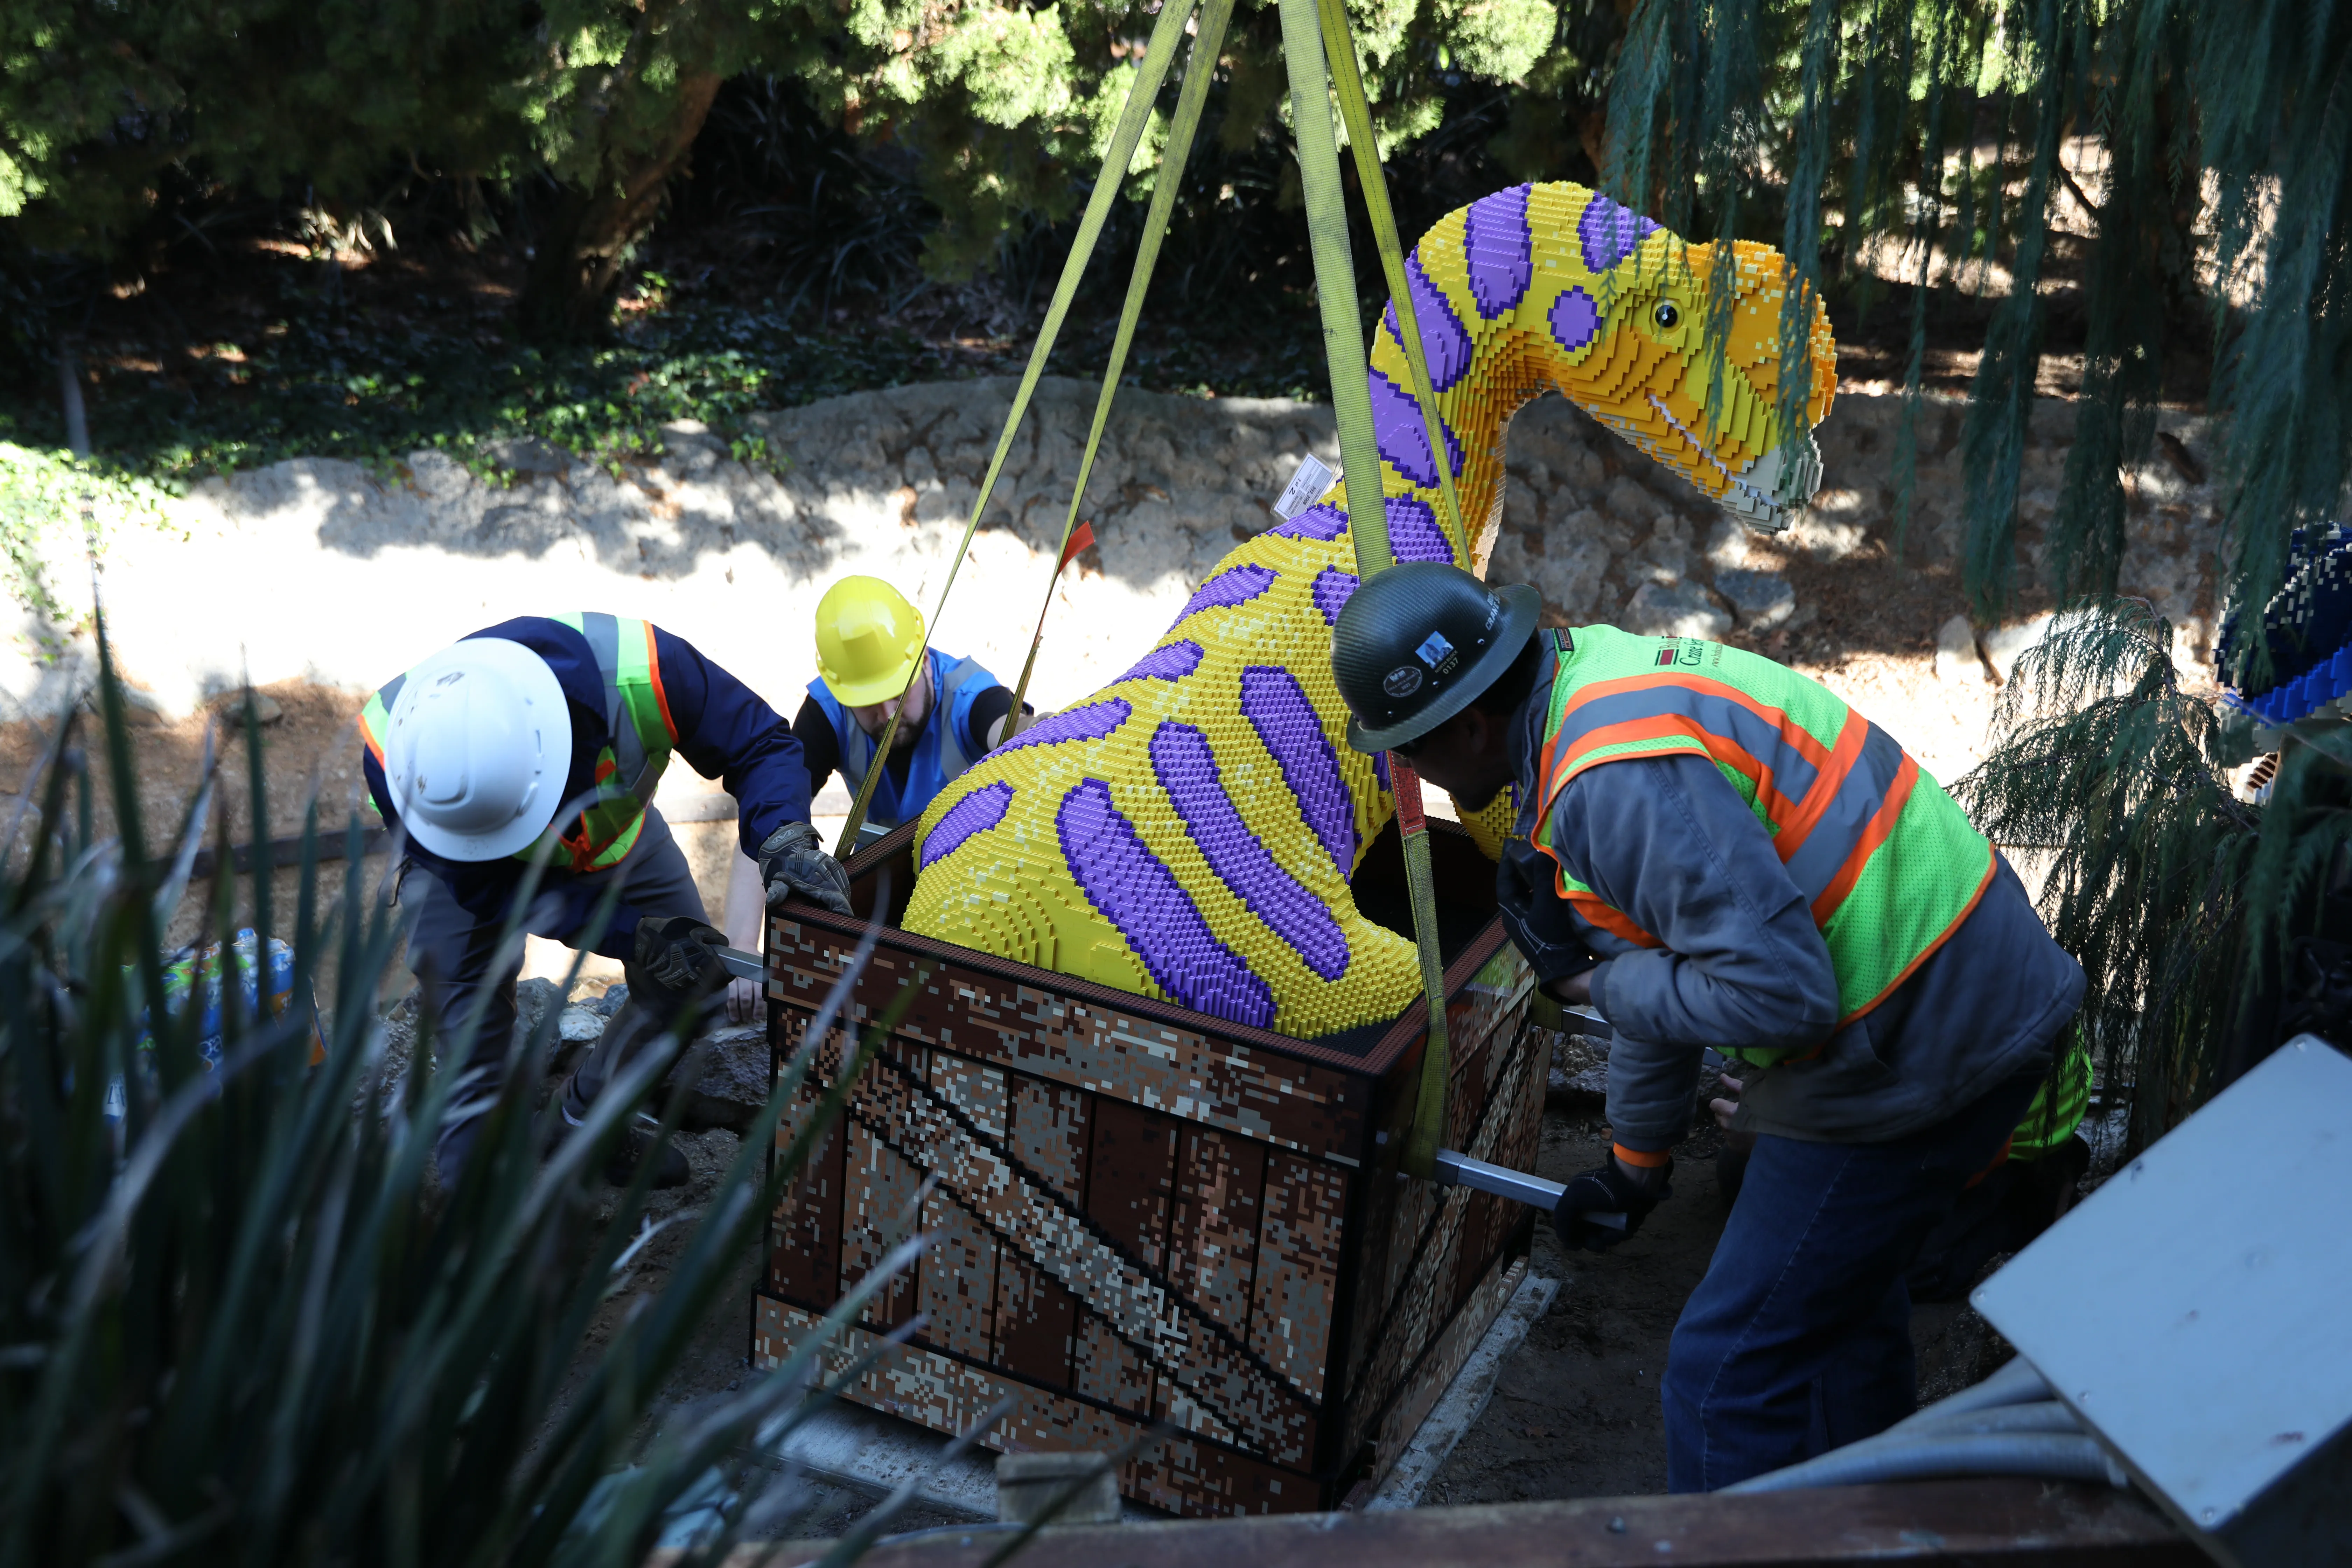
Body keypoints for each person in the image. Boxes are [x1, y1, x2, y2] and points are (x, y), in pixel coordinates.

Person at [1329, 563, 2085, 1492]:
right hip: (1961, 976)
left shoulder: (1610, 784)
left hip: (1918, 1033)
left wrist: (1591, 987)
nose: (1406, 771)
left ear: (1471, 725)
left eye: (1409, 748)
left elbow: (1777, 996)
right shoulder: (1584, 687)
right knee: (1839, 1299)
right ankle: (1882, 1526)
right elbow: (1675, 944)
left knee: (1725, 1376)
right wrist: (1634, 1163)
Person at [360, 612, 853, 1184]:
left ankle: (580, 1128)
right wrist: (630, 933)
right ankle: (477, 1201)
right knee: (469, 1029)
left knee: (685, 985)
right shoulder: (396, 752)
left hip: (615, 842)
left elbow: (761, 743)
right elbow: (493, 893)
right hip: (465, 875)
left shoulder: (644, 670)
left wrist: (783, 836)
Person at [718, 576, 1029, 1021]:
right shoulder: (830, 712)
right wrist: (743, 947)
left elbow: (1014, 730)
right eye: (867, 702)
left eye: (897, 695)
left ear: (922, 661)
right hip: (891, 891)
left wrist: (1040, 733)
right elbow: (766, 824)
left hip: (976, 899)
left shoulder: (969, 695)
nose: (885, 716)